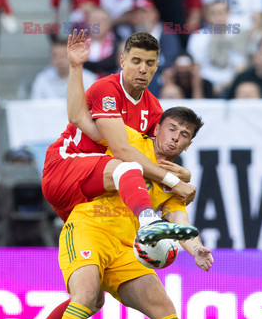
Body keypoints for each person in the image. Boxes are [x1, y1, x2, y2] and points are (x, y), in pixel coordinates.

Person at [0, 108, 226, 319]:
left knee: (163, 308)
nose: (175, 138)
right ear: (157, 128)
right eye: (172, 129)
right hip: (88, 228)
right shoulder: (128, 140)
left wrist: (195, 247)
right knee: (87, 295)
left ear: (188, 145)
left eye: (185, 135)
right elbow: (87, 129)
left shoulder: (174, 183)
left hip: (126, 248)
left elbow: (178, 219)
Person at [42, 30, 195, 230]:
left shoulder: (154, 108)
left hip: (100, 183)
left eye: (149, 63)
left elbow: (156, 159)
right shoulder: (107, 89)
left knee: (108, 248)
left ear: (157, 66)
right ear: (122, 61)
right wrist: (175, 181)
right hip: (66, 167)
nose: (143, 69)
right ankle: (149, 223)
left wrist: (183, 176)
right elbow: (121, 149)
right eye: (136, 61)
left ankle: (177, 237)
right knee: (128, 167)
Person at [30, 36, 96, 99]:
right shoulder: (42, 78)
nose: (59, 59)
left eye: (64, 55)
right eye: (55, 56)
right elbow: (35, 105)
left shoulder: (88, 79)